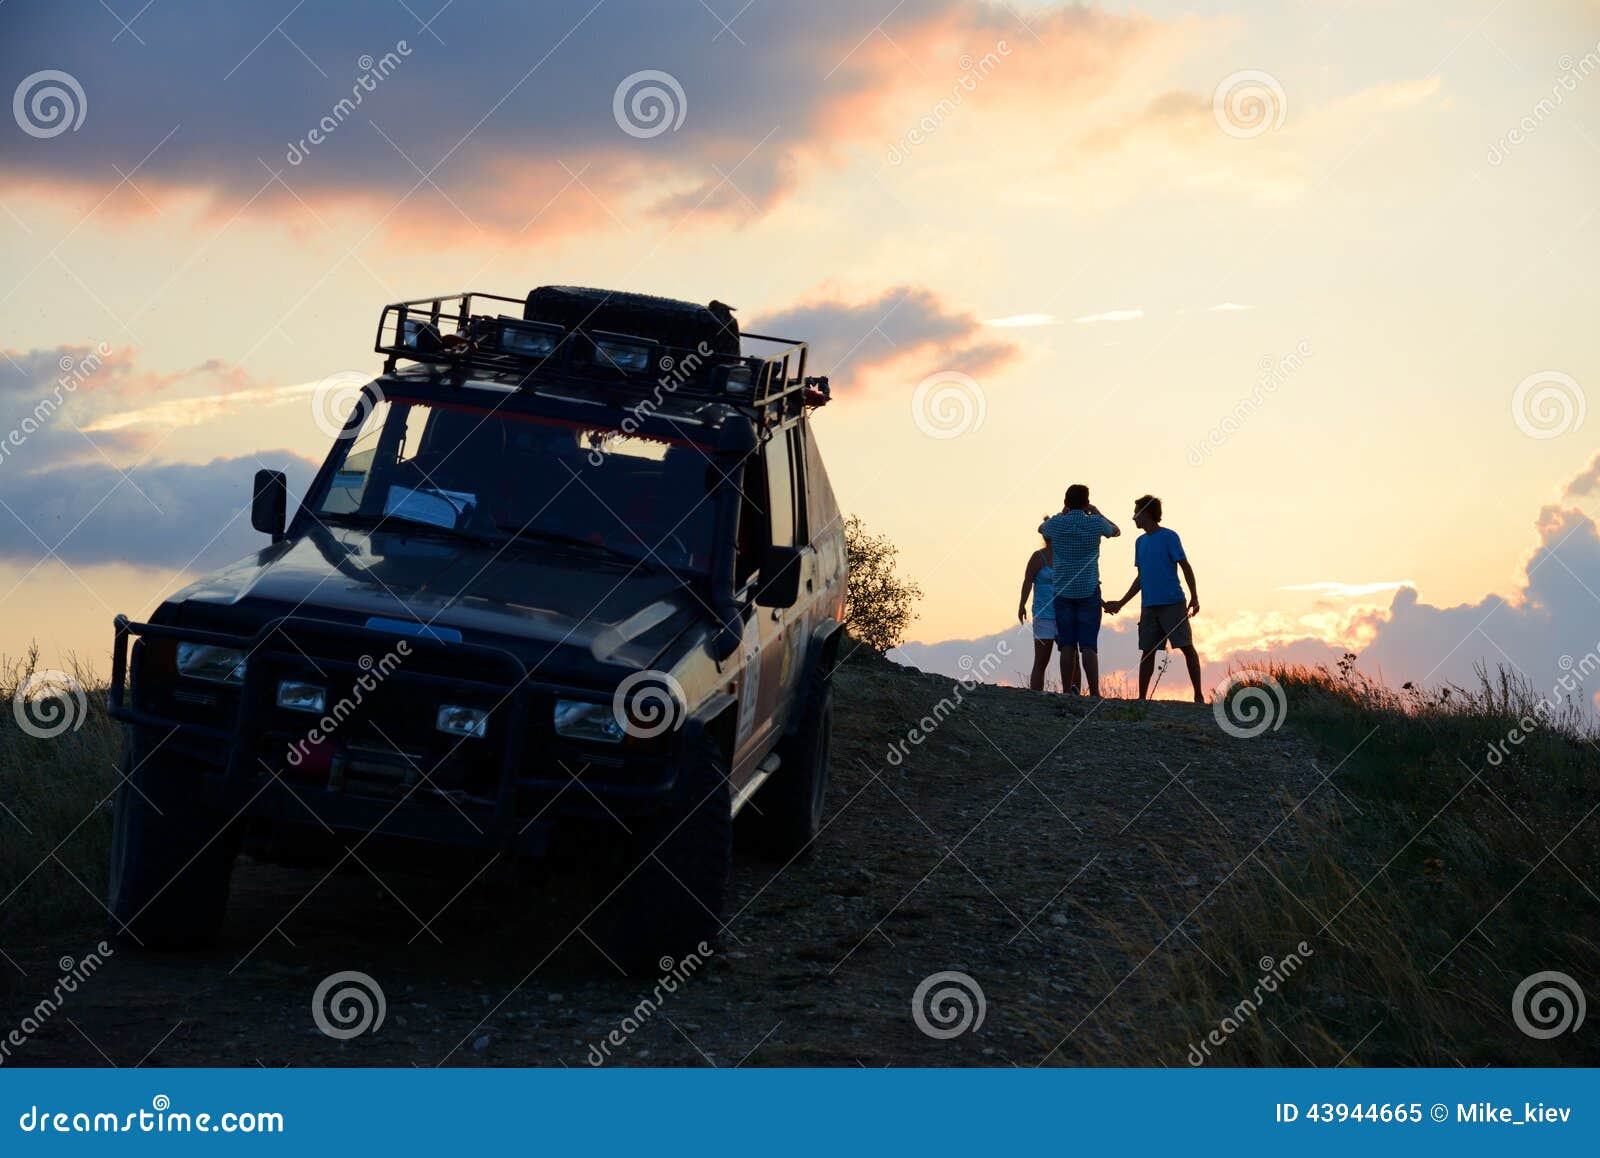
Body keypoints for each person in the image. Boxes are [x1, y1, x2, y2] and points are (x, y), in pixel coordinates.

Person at [1105, 494, 1204, 702]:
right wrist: (1121, 603)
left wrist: (1194, 596)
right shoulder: (1140, 542)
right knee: (1147, 652)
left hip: (1173, 603)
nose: (1133, 518)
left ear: (1147, 513)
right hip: (1149, 606)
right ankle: (1142, 698)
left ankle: (1198, 695)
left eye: (1136, 513)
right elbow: (1141, 577)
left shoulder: (1169, 537)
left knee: (1186, 647)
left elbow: (1185, 566)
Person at [1039, 484, 1120, 695]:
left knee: (1067, 645)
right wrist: (1097, 512)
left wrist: (1061, 513)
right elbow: (1116, 531)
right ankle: (1094, 692)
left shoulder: (1057, 523)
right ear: (1086, 503)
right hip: (1088, 589)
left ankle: (1068, 691)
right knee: (1088, 646)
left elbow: (1041, 529)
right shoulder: (1094, 522)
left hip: (1063, 590)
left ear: (1066, 502)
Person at [1017, 527, 1055, 691]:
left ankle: (1072, 694)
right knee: (1041, 660)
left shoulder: (1067, 555)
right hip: (1043, 613)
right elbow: (1027, 581)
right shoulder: (1038, 557)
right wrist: (1022, 604)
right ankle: (1036, 695)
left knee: (1072, 654)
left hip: (1065, 611)